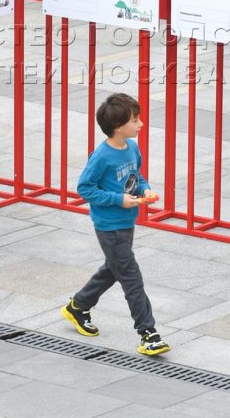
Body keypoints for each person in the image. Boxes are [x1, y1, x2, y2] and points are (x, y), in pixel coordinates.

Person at [61, 93, 170, 356]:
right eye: (135, 120)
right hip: (109, 226)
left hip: (127, 220)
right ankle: (148, 333)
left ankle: (78, 306)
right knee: (131, 276)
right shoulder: (101, 156)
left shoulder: (131, 148)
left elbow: (136, 175)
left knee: (114, 269)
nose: (141, 124)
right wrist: (117, 200)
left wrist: (145, 190)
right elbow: (84, 188)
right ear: (119, 127)